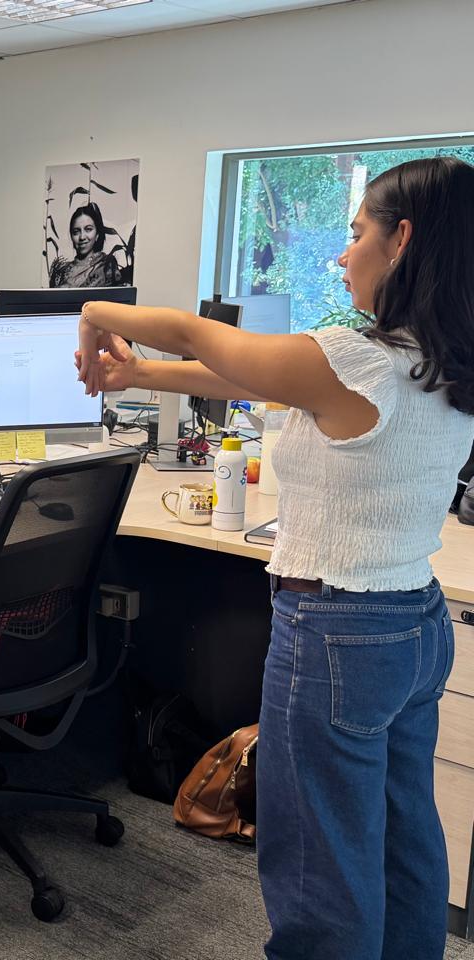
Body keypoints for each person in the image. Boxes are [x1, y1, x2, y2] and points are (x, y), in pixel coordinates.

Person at [76, 157, 474, 960]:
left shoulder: (357, 361)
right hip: (415, 625)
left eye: (356, 233)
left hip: (336, 632)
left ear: (401, 240)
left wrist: (93, 310)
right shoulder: (438, 360)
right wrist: (139, 371)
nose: (343, 253)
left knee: (318, 860)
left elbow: (205, 337)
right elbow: (250, 373)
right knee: (401, 840)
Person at [49, 201, 122, 288]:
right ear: (71, 236)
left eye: (88, 229)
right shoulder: (61, 271)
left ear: (97, 234)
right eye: (76, 232)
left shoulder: (107, 264)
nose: (82, 237)